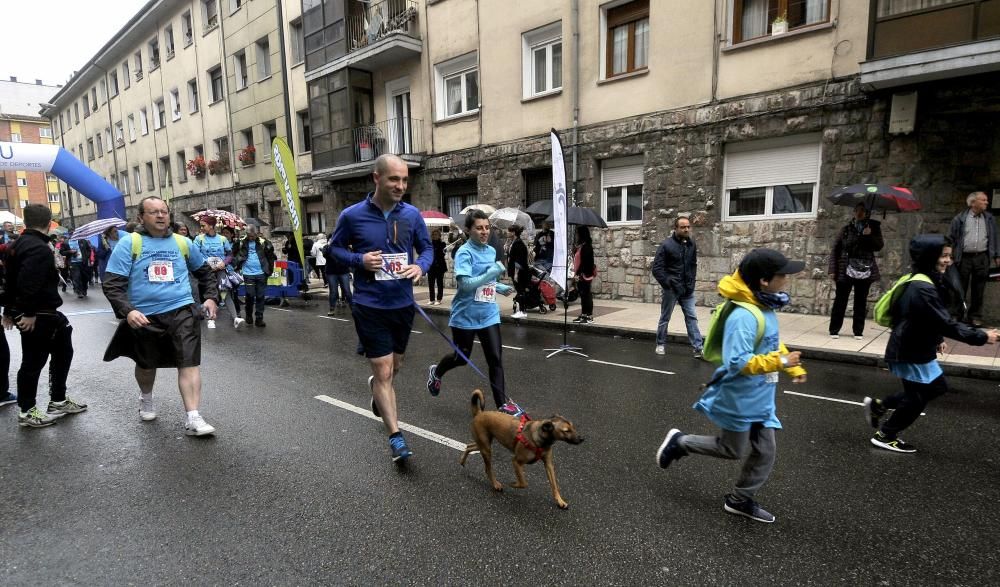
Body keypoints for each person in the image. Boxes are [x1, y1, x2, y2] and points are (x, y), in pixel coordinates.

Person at [655, 248, 808, 524]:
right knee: (732, 450)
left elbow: (771, 343)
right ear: (763, 280)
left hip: (760, 397)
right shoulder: (744, 316)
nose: (787, 279)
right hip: (740, 397)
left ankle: (739, 499)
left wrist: (791, 365)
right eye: (782, 274)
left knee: (766, 451)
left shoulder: (764, 306)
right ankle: (681, 442)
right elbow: (738, 361)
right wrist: (781, 361)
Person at [329, 154, 432, 463]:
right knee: (384, 369)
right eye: (394, 179)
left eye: (404, 180)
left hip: (402, 305)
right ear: (377, 178)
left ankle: (377, 389)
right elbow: (333, 250)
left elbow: (427, 249)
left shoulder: (412, 215)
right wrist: (359, 260)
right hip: (369, 304)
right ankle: (396, 436)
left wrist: (420, 267)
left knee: (395, 367)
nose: (401, 185)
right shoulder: (351, 216)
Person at [864, 235, 998, 453]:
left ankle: (880, 406)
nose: (948, 261)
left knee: (935, 388)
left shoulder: (925, 278)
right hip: (909, 350)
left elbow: (926, 317)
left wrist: (936, 339)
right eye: (943, 255)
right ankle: (886, 434)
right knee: (918, 397)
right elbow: (944, 322)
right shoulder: (921, 286)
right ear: (930, 256)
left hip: (916, 346)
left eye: (949, 256)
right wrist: (981, 336)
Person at [102, 196, 219, 436]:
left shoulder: (182, 242)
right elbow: (112, 284)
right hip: (145, 316)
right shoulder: (130, 244)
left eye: (164, 211)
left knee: (189, 363)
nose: (160, 216)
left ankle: (193, 417)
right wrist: (129, 311)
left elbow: (204, 272)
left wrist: (210, 297)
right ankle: (146, 398)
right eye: (153, 212)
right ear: (141, 217)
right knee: (146, 365)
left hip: (182, 311)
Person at [426, 210, 522, 416]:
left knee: (495, 358)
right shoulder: (464, 253)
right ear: (468, 230)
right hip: (465, 316)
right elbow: (466, 284)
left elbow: (485, 280)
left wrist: (497, 286)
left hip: (488, 313)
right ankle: (437, 371)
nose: (484, 231)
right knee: (461, 358)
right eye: (479, 228)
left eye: (487, 227)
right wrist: (492, 273)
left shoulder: (489, 251)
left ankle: (502, 405)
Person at [1, 204, 86, 428]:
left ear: (26, 221)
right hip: (38, 313)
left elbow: (10, 280)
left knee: (63, 348)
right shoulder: (37, 247)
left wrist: (9, 310)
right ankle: (27, 411)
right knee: (33, 361)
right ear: (49, 222)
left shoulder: (16, 244)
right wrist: (27, 313)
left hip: (40, 312)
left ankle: (58, 400)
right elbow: (27, 282)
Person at [828, 204, 883, 339]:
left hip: (865, 269)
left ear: (867, 213)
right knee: (841, 299)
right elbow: (838, 248)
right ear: (854, 212)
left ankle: (858, 331)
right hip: (846, 268)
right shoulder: (847, 229)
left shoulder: (873, 228)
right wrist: (832, 269)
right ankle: (834, 329)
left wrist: (868, 236)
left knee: (861, 301)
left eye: (863, 211)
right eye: (857, 210)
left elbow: (878, 246)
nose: (859, 213)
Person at [651, 216, 703, 357]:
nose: (686, 229)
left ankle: (698, 348)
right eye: (683, 227)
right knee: (665, 317)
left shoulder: (691, 244)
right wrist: (668, 283)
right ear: (676, 228)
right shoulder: (666, 245)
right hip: (672, 289)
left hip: (687, 288)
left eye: (688, 227)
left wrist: (692, 281)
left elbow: (693, 264)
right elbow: (657, 268)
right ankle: (660, 344)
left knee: (692, 317)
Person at [948, 191, 999, 326]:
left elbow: (994, 237)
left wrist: (997, 255)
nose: (986, 202)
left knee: (979, 288)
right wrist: (949, 255)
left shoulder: (989, 218)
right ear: (973, 203)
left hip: (982, 257)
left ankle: (975, 316)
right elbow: (951, 239)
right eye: (983, 200)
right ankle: (956, 315)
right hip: (963, 258)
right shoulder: (959, 219)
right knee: (959, 287)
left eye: (986, 200)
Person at [194, 217, 246, 330]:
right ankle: (210, 320)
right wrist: (206, 264)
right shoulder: (199, 239)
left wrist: (224, 262)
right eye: (201, 226)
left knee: (224, 292)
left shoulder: (222, 239)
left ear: (211, 226)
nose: (201, 228)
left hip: (220, 270)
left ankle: (235, 318)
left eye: (203, 226)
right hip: (206, 271)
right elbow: (195, 255)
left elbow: (230, 255)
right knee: (209, 294)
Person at [233, 224, 276, 327]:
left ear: (256, 234)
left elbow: (271, 256)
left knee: (261, 296)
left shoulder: (263, 242)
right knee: (250, 295)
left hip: (261, 273)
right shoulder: (241, 242)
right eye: (249, 235)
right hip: (248, 274)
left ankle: (259, 318)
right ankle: (248, 314)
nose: (251, 237)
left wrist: (269, 270)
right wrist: (237, 264)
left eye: (253, 235)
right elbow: (233, 253)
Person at [572, 225, 596, 323]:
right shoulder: (582, 246)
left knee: (586, 295)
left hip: (584, 275)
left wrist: (579, 274)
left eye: (577, 233)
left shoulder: (587, 247)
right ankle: (584, 314)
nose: (576, 236)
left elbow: (585, 263)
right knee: (583, 295)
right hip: (581, 274)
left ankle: (589, 316)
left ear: (581, 234)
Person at [324, 235, 353, 316]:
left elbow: (349, 254)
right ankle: (332, 309)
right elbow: (325, 254)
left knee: (347, 291)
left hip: (343, 271)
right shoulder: (327, 247)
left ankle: (353, 308)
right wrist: (330, 246)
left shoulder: (344, 247)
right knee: (333, 291)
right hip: (331, 272)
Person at [506, 225, 530, 319]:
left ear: (513, 232)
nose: (507, 233)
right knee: (520, 290)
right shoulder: (514, 242)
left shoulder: (518, 244)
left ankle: (522, 311)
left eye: (509, 231)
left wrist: (516, 274)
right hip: (515, 271)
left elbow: (518, 261)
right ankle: (521, 311)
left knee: (520, 291)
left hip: (519, 272)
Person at [220, 226, 243, 317]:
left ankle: (237, 311)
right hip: (222, 270)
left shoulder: (236, 244)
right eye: (223, 233)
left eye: (227, 233)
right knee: (225, 292)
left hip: (233, 271)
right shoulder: (219, 243)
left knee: (234, 292)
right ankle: (231, 311)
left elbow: (238, 257)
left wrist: (235, 264)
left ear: (232, 234)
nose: (224, 235)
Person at [427, 228, 447, 306]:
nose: (434, 236)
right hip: (431, 267)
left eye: (436, 235)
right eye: (433, 235)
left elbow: (442, 254)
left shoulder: (443, 244)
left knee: (439, 283)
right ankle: (431, 299)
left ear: (439, 236)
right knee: (431, 284)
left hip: (440, 267)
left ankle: (439, 299)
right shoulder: (429, 245)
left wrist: (442, 250)